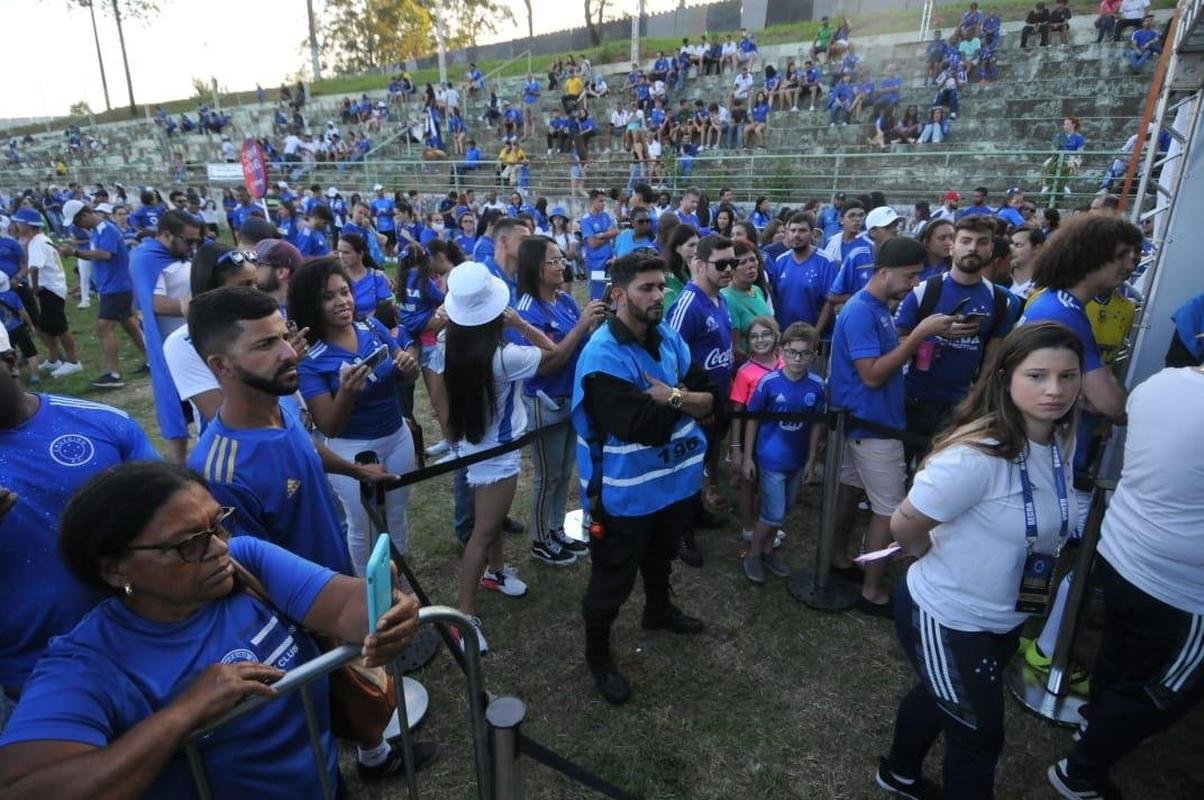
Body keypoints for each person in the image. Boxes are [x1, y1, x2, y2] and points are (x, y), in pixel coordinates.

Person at [0, 461, 434, 792]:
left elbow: (342, 606)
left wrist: (386, 608)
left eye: (217, 525)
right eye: (188, 543)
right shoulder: (86, 665)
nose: (217, 549)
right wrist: (185, 713)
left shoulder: (246, 560)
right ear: (115, 570)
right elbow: (23, 789)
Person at [879, 322, 1083, 799]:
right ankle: (901, 774)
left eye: (1068, 376)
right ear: (1006, 378)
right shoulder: (975, 458)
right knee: (979, 735)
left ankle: (898, 775)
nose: (1055, 390)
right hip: (948, 616)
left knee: (942, 695)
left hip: (1005, 616)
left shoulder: (1059, 440)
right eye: (1038, 376)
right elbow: (903, 524)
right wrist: (931, 557)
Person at [1047, 364, 1204, 800]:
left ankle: (1094, 724)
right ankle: (1081, 771)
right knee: (1167, 689)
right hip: (1180, 587)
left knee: (1118, 655)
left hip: (1120, 552)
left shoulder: (1161, 383)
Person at [573, 253, 714, 705]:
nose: (659, 296)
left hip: (673, 483)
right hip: (623, 494)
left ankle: (658, 609)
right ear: (618, 295)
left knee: (662, 554)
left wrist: (670, 396)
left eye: (661, 287)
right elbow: (642, 426)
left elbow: (713, 395)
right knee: (612, 580)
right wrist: (688, 401)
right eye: (647, 288)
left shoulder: (668, 335)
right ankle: (598, 657)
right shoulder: (601, 357)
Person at [0, 326, 158, 726]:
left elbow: (176, 513)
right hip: (34, 678)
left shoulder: (101, 423)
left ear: (10, 362)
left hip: (150, 643)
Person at [429, 263, 578, 652]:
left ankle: (495, 572)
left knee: (489, 521)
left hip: (474, 444)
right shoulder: (505, 356)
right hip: (497, 454)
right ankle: (464, 617)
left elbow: (437, 392)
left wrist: (449, 431)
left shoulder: (447, 343)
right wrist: (522, 325)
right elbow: (554, 354)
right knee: (483, 531)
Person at [828, 237, 961, 616]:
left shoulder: (877, 307)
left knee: (849, 491)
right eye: (910, 275)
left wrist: (926, 334)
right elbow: (871, 375)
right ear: (884, 272)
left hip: (869, 420)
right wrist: (918, 336)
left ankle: (838, 558)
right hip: (873, 423)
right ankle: (872, 591)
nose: (915, 283)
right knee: (888, 509)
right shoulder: (862, 311)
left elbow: (880, 354)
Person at [291, 258, 420, 575]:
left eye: (344, 291)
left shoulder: (372, 326)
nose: (342, 302)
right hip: (351, 449)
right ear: (310, 304)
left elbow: (405, 372)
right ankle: (368, 590)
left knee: (397, 515)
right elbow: (329, 426)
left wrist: (409, 366)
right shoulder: (310, 358)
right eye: (328, 296)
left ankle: (399, 578)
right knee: (363, 526)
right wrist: (347, 392)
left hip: (397, 436)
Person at [514, 237, 606, 566]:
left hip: (571, 398)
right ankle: (540, 539)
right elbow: (547, 365)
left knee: (564, 472)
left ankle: (555, 528)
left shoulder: (564, 299)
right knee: (547, 475)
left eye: (561, 260)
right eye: (553, 261)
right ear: (535, 268)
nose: (561, 266)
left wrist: (595, 324)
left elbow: (581, 344)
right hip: (545, 402)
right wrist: (581, 326)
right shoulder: (527, 311)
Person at [895, 216, 1016, 462]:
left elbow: (993, 356)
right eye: (966, 241)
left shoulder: (1001, 300)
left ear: (991, 249)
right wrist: (927, 337)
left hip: (961, 405)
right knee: (899, 470)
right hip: (913, 398)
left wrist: (977, 399)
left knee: (943, 472)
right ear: (952, 247)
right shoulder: (924, 291)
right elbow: (895, 341)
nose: (973, 248)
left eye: (982, 242)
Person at [667, 235, 738, 562]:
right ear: (699, 264)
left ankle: (696, 513)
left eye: (732, 262)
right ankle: (681, 534)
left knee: (700, 463)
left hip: (716, 402)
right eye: (721, 264)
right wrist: (694, 404)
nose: (729, 269)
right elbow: (670, 359)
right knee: (684, 468)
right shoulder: (688, 304)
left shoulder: (720, 299)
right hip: (695, 407)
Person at [740, 322, 825, 583]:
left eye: (804, 353)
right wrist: (747, 456)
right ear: (783, 350)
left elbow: (816, 425)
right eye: (792, 352)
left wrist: (811, 459)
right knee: (773, 513)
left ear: (813, 355)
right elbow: (752, 420)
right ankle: (753, 554)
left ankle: (767, 550)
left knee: (784, 508)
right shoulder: (768, 383)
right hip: (770, 459)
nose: (797, 358)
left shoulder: (817, 386)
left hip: (796, 460)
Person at [129, 209, 203, 465]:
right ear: (165, 235)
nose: (192, 247)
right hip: (171, 346)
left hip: (194, 339)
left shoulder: (176, 255)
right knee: (176, 406)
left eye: (196, 241)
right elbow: (153, 303)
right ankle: (178, 467)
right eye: (188, 241)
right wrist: (195, 306)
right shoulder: (146, 259)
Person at [58, 200, 147, 390]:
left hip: (116, 286)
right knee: (129, 324)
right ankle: (151, 361)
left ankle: (113, 374)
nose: (77, 226)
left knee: (104, 327)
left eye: (76, 221)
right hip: (113, 286)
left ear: (84, 215)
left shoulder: (106, 230)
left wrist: (75, 252)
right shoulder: (98, 231)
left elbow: (105, 254)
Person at [728, 316, 784, 548]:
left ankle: (766, 522)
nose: (760, 340)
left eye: (765, 334)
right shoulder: (745, 372)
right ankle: (748, 526)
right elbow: (737, 412)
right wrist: (736, 448)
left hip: (778, 434)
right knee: (749, 480)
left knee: (770, 480)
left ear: (775, 336)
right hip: (752, 432)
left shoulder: (785, 363)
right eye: (754, 336)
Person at [8, 208, 81, 378]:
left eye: (19, 223)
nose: (17, 226)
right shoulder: (42, 239)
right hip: (52, 287)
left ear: (27, 225)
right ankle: (53, 360)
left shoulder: (36, 243)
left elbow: (34, 267)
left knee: (61, 328)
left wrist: (34, 287)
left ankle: (73, 362)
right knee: (47, 328)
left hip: (50, 289)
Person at [769, 212, 838, 334]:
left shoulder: (826, 262)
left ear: (812, 233)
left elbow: (830, 302)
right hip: (785, 335)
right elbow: (774, 297)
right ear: (787, 233)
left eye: (802, 230)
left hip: (814, 336)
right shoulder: (780, 261)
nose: (796, 235)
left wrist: (816, 333)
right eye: (793, 230)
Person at [722, 240, 773, 362]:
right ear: (731, 268)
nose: (750, 266)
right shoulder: (728, 299)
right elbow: (735, 349)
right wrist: (760, 364)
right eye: (743, 262)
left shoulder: (757, 290)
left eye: (753, 259)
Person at [335, 233, 392, 319]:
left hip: (372, 324)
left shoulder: (377, 277)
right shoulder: (337, 278)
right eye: (339, 252)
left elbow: (386, 308)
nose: (341, 256)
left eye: (346, 252)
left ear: (360, 254)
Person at [581, 190, 618, 301]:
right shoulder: (586, 220)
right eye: (600, 201)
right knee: (598, 294)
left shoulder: (605, 216)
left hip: (609, 260)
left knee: (611, 292)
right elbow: (592, 244)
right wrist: (608, 236)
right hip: (595, 263)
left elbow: (615, 231)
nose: (603, 204)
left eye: (604, 201)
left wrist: (601, 235)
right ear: (592, 201)